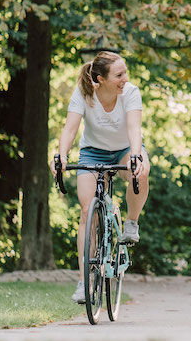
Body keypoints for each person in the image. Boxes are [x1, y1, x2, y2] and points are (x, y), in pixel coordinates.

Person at [50, 51, 150, 304]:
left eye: (125, 72)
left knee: (141, 170)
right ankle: (85, 280)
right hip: (92, 152)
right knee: (86, 212)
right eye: (119, 75)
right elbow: (70, 128)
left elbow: (133, 128)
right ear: (100, 79)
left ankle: (131, 223)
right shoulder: (84, 93)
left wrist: (136, 155)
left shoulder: (130, 92)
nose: (125, 79)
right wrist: (61, 155)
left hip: (125, 149)